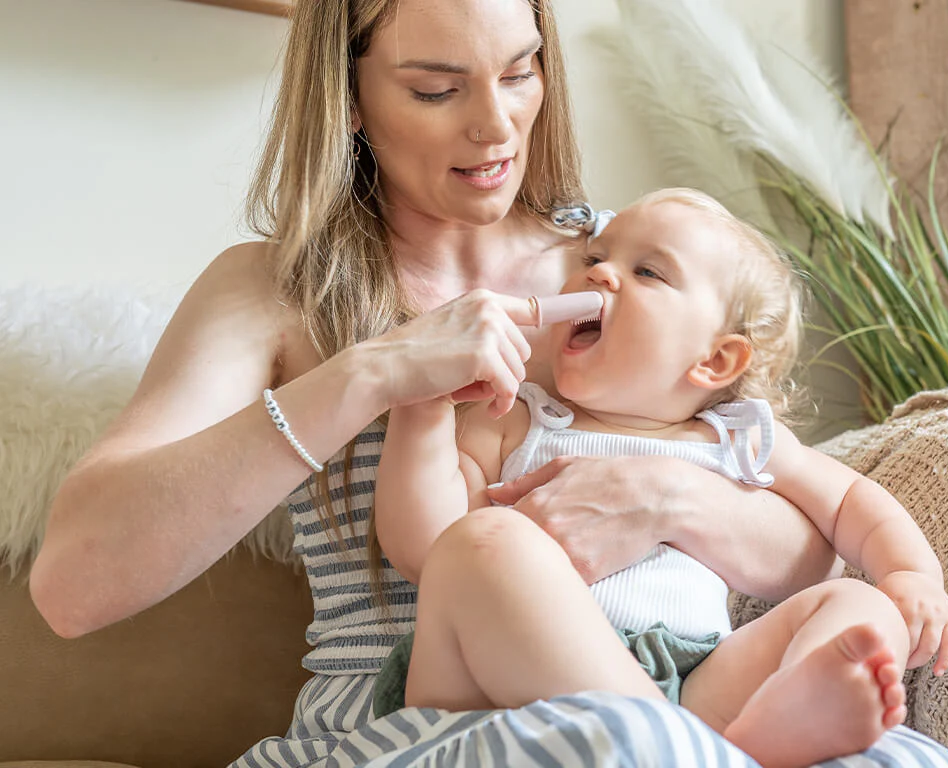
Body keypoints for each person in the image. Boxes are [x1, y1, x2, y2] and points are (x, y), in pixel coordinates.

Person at [29, 1, 845, 765]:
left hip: (670, 705)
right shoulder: (272, 294)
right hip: (406, 729)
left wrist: (672, 500)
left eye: (521, 72)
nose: (496, 127)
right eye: (436, 88)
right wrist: (372, 372)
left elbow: (816, 542)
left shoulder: (631, 269)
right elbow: (74, 585)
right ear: (347, 97)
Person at [371, 188, 948, 768]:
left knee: (857, 604)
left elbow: (850, 500)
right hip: (493, 688)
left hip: (693, 676)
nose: (600, 276)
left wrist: (908, 573)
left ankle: (762, 727)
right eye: (594, 259)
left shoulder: (736, 437)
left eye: (647, 272)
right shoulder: (515, 417)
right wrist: (421, 406)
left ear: (715, 360)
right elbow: (426, 548)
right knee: (480, 544)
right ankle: (674, 744)